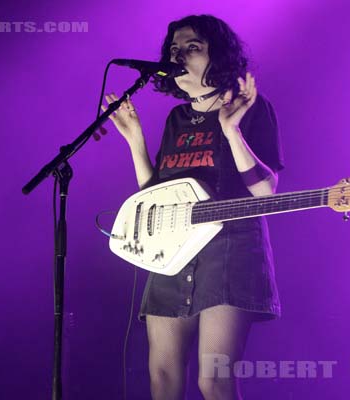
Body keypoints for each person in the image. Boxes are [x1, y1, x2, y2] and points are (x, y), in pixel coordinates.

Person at [103, 15, 284, 400]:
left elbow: (266, 192)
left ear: (216, 55)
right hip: (173, 251)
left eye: (192, 47)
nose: (179, 56)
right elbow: (158, 199)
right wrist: (135, 141)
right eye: (173, 50)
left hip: (230, 248)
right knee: (162, 378)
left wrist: (231, 130)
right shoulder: (177, 118)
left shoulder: (252, 107)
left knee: (213, 380)